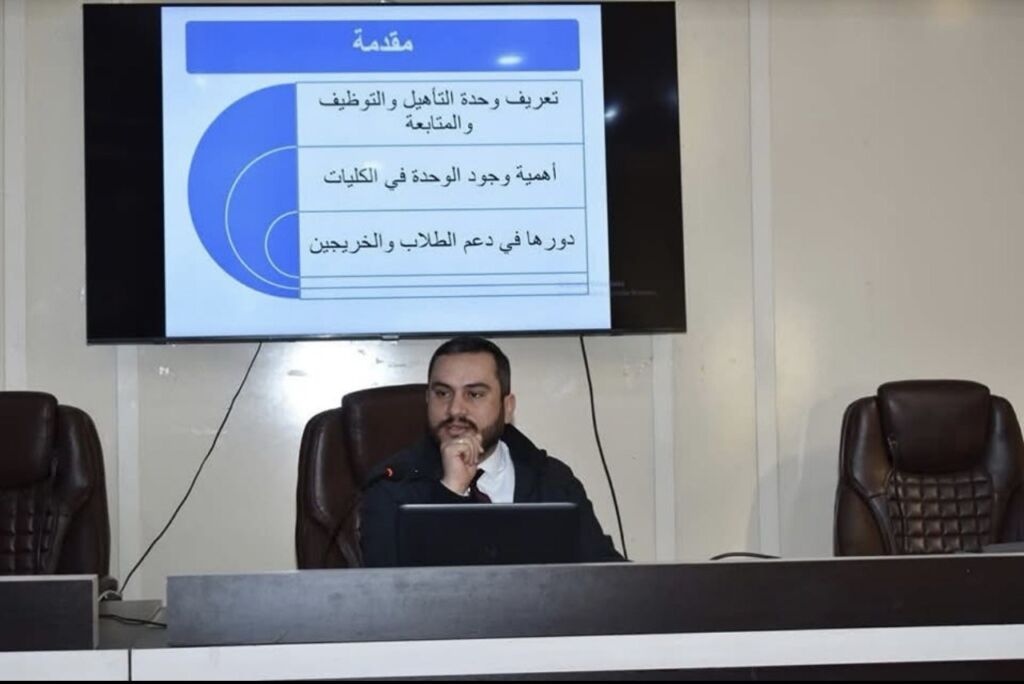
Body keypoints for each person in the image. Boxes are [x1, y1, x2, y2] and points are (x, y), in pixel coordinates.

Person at [359, 335, 623, 566]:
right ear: (427, 400)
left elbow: (605, 574)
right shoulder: (392, 486)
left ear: (507, 408)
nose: (455, 409)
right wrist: (450, 491)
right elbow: (389, 593)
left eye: (474, 394)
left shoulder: (552, 480)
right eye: (442, 393)